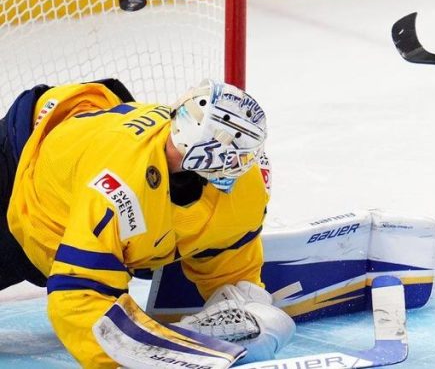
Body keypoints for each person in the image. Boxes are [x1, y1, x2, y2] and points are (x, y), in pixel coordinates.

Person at [0, 78, 295, 368]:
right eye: (238, 157)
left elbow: (227, 264)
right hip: (22, 173)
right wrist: (127, 361)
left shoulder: (244, 188)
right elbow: (77, 294)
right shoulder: (120, 184)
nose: (245, 164)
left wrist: (242, 302)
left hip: (88, 129)